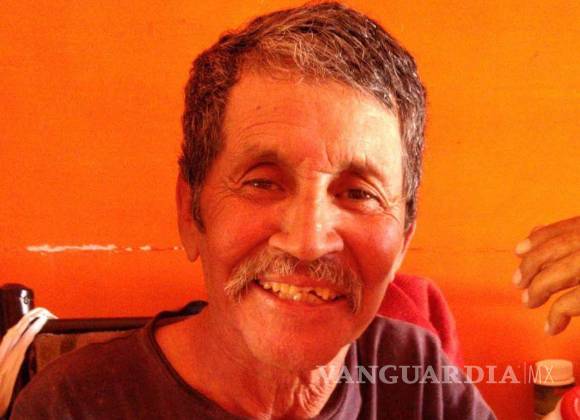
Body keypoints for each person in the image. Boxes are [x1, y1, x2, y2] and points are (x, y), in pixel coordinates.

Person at [7, 2, 579, 419]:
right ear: (191, 212)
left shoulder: (412, 375)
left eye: (359, 193)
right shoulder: (73, 405)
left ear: (405, 235)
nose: (308, 240)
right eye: (262, 182)